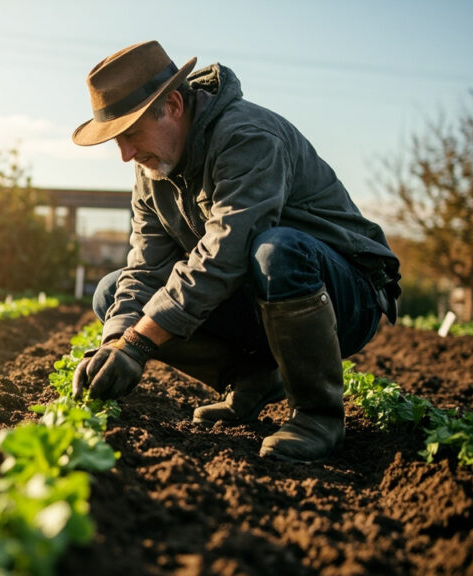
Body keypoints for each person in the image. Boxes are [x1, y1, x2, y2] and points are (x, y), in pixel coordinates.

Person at [69, 40, 401, 463]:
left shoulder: (246, 137)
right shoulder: (151, 171)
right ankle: (252, 378)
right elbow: (145, 268)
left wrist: (140, 342)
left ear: (172, 104)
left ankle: (318, 416)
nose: (125, 154)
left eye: (131, 133)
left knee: (275, 249)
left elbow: (228, 251)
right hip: (257, 297)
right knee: (112, 292)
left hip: (343, 295)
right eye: (117, 140)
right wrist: (117, 342)